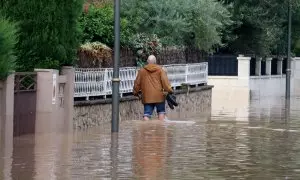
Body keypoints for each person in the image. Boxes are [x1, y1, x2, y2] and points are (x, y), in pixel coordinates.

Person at [133, 55, 173, 121]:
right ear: (155, 62)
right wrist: (170, 90)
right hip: (159, 96)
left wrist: (135, 92)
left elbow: (137, 83)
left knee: (146, 114)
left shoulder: (142, 71)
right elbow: (165, 82)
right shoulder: (160, 70)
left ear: (147, 61)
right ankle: (161, 129)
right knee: (161, 112)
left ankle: (146, 129)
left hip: (147, 96)